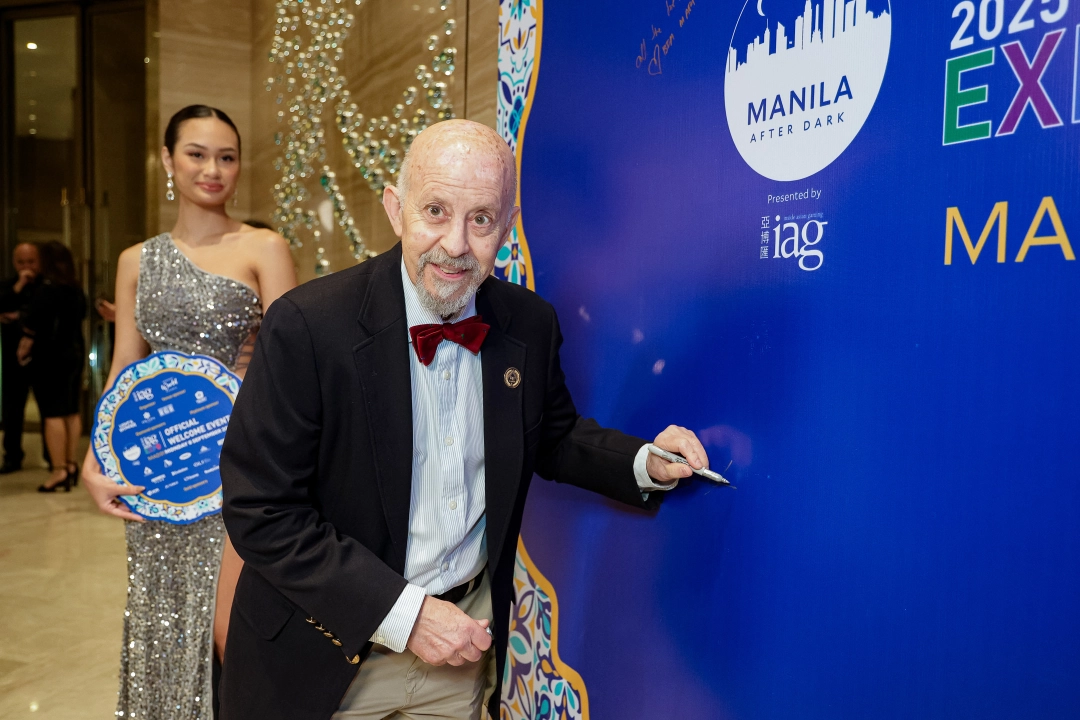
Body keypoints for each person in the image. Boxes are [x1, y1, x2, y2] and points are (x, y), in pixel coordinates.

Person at [218, 120, 711, 720]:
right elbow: (261, 510)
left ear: (506, 227)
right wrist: (407, 615)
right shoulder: (307, 325)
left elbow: (553, 435)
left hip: (459, 658)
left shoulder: (529, 323)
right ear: (396, 210)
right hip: (320, 656)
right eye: (435, 211)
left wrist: (644, 461)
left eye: (481, 220)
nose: (455, 244)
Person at [78, 105, 297, 720]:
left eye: (227, 157)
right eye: (197, 154)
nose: (213, 169)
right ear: (167, 160)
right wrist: (95, 459)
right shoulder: (136, 260)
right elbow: (126, 367)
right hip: (160, 477)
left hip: (241, 469)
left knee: (233, 633)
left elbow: (294, 366)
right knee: (163, 624)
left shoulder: (264, 247)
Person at [17, 242, 87, 492]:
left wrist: (25, 341)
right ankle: (70, 463)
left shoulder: (46, 289)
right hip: (74, 353)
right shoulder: (75, 289)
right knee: (71, 411)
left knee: (53, 413)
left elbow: (32, 322)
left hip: (51, 356)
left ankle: (58, 470)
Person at [0, 242, 42, 473]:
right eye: (21, 262)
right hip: (11, 357)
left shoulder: (46, 287)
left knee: (48, 409)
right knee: (12, 409)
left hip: (41, 356)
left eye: (31, 261)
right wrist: (18, 286)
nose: (26, 267)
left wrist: (18, 316)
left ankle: (52, 455)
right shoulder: (8, 286)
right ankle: (12, 456)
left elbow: (44, 315)